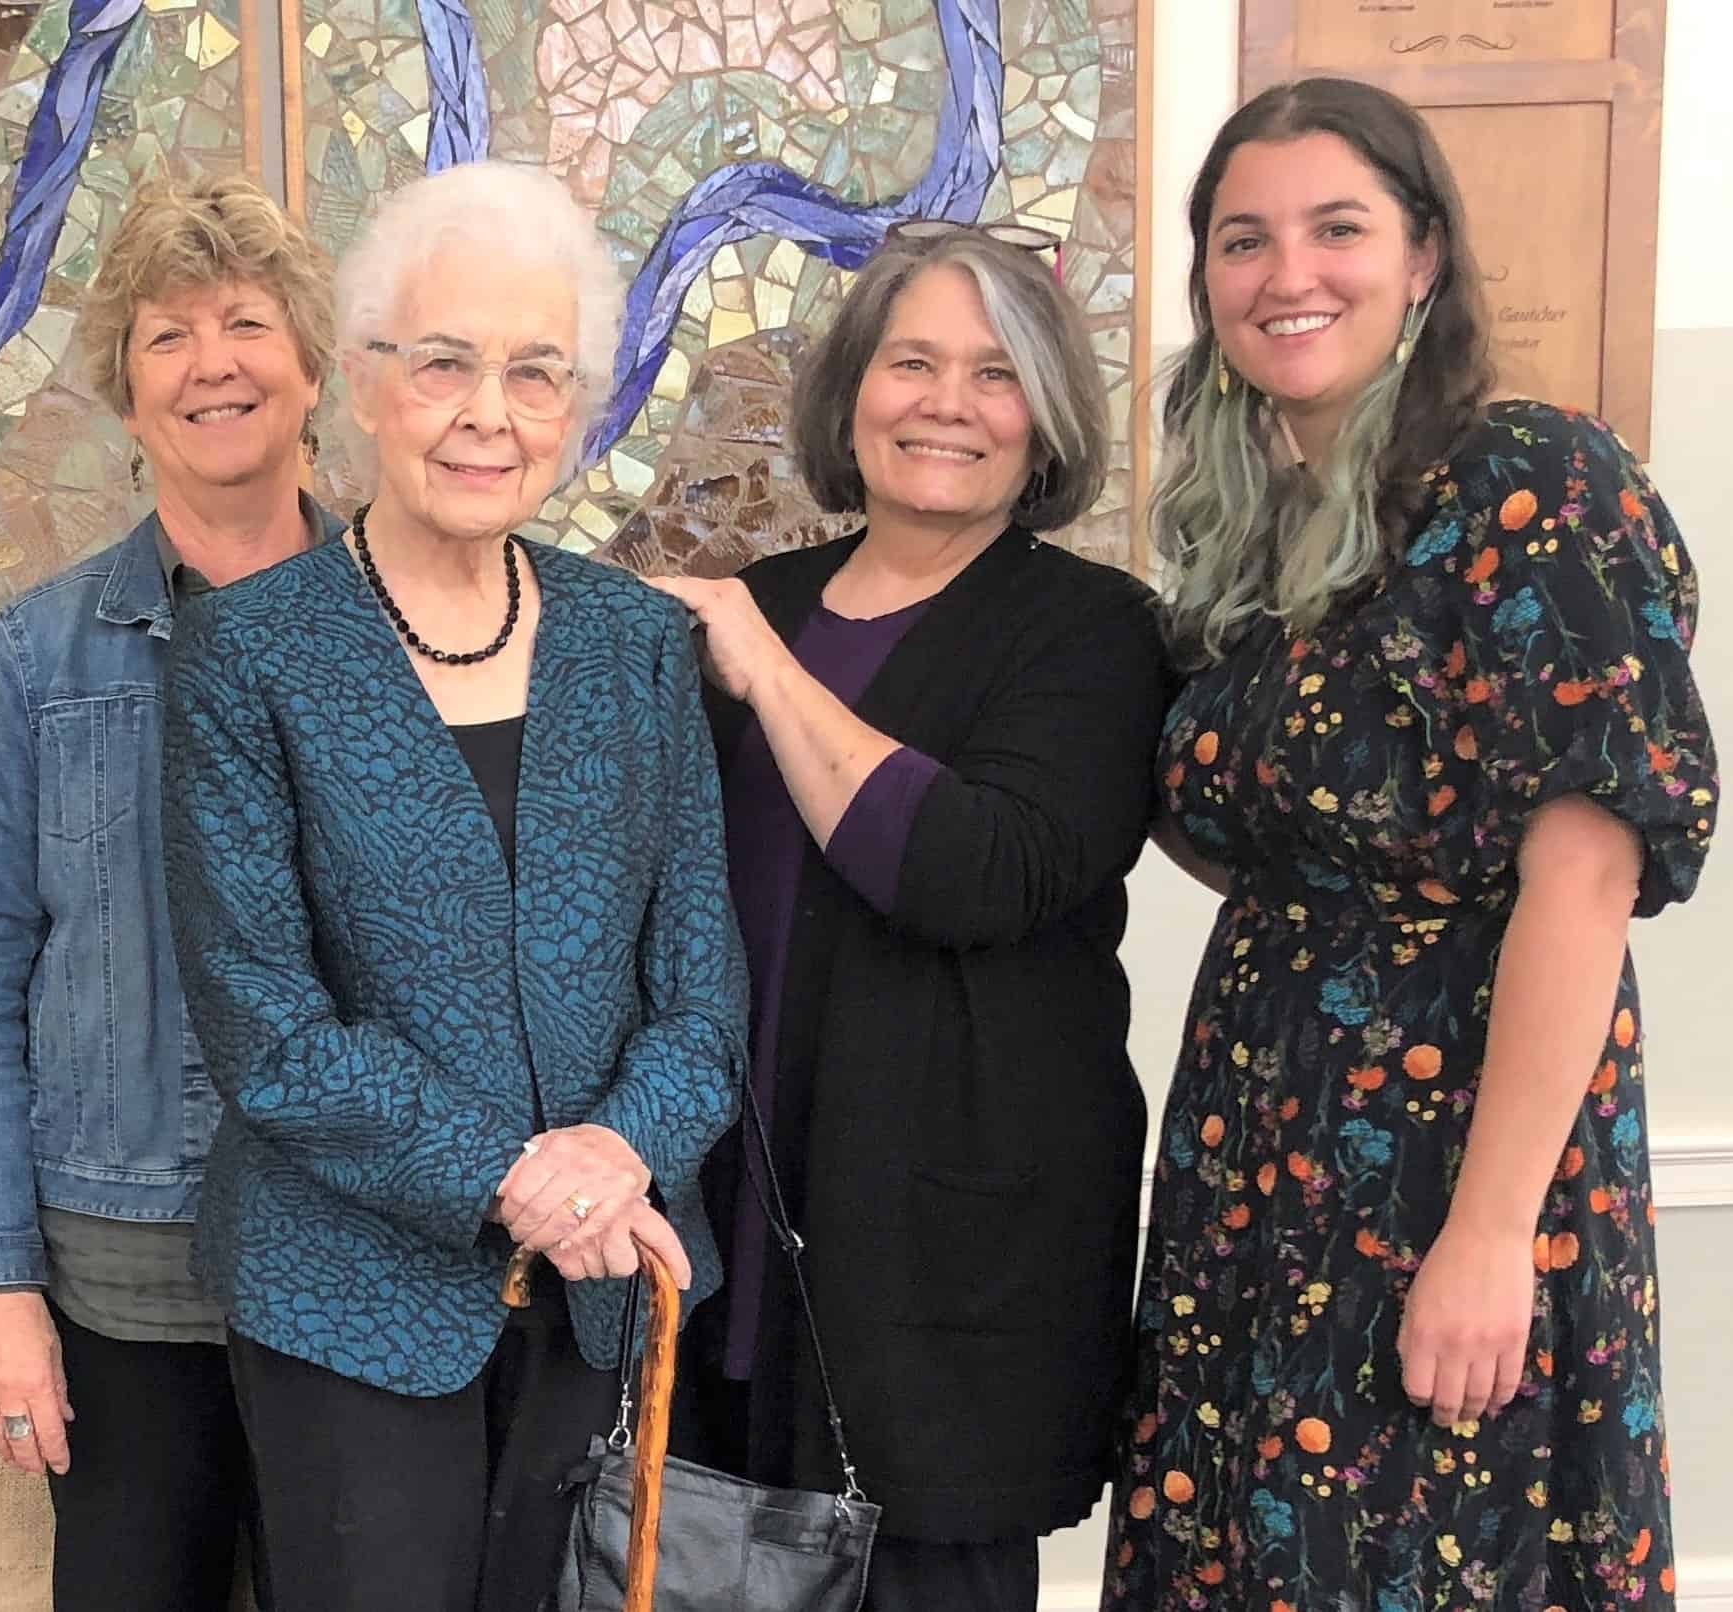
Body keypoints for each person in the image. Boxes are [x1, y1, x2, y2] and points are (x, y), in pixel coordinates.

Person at [1106, 77, 1715, 1609]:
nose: (1286, 275)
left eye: (1338, 229)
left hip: (1456, 1140)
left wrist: (1492, 1235)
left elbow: (1586, 873)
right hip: (1259, 1133)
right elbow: (1258, 830)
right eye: (1242, 242)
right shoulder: (1254, 538)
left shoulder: (1534, 481)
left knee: (1430, 1549)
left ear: (1425, 256)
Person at [159, 159, 746, 1612]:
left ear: (581, 407)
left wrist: (612, 1154)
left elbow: (703, 993)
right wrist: (513, 1181)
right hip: (346, 1296)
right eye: (444, 363)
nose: (491, 412)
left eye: (537, 373)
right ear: (360, 384)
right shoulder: (249, 655)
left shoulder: (635, 644)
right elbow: (266, 1028)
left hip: (605, 1288)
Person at [649, 221, 1169, 1611]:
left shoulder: (1095, 632)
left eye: (996, 375)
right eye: (913, 361)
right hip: (724, 1233)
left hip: (950, 1270)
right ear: (852, 394)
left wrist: (761, 669)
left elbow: (969, 871)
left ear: (1045, 419)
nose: (947, 402)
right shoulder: (756, 606)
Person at [0, 170, 340, 1612]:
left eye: (246, 323)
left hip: (367, 1269)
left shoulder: (425, 629)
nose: (212, 363)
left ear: (309, 364)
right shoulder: (38, 660)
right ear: (127, 387)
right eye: (169, 335)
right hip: (123, 1284)